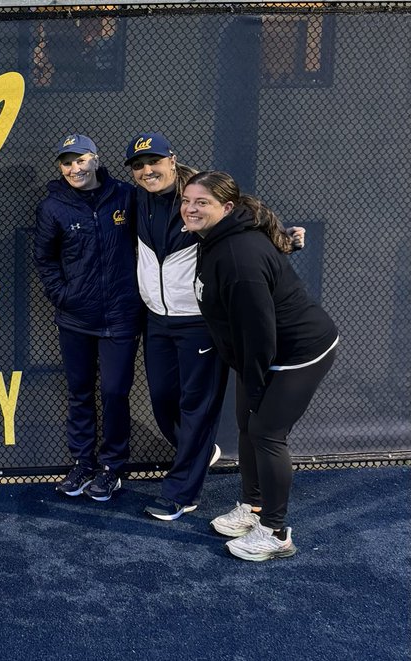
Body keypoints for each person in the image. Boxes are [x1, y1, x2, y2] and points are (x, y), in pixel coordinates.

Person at [184, 170, 338, 561]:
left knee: (266, 432)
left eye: (202, 202)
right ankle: (252, 508)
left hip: (298, 352)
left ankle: (275, 531)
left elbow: (258, 333)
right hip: (263, 353)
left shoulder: (238, 256)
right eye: (187, 200)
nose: (190, 208)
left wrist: (253, 382)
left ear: (227, 207)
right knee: (247, 424)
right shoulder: (216, 238)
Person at [125, 132, 229, 521]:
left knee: (196, 406)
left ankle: (181, 492)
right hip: (157, 319)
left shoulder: (201, 195)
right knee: (163, 400)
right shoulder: (135, 198)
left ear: (172, 160)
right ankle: (198, 450)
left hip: (199, 321)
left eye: (154, 161)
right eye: (138, 166)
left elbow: (247, 215)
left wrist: (282, 237)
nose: (147, 170)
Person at [33, 135, 141, 501]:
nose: (73, 169)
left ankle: (111, 468)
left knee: (114, 393)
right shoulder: (53, 207)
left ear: (95, 159)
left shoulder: (126, 196)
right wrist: (63, 296)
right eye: (66, 163)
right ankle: (82, 462)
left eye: (80, 160)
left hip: (122, 317)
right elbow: (45, 258)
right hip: (76, 318)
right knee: (80, 393)